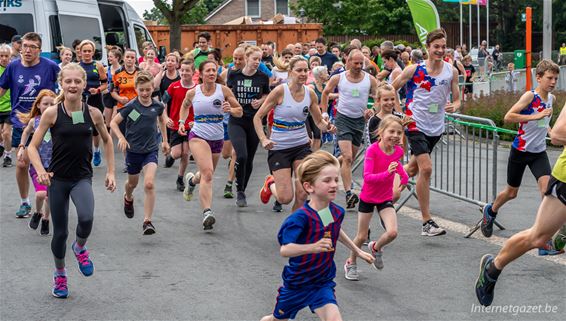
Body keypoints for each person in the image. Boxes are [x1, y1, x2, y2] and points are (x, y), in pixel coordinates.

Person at [26, 63, 116, 299]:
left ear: (85, 84)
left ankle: (80, 247)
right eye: (68, 81)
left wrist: (111, 172)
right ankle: (60, 275)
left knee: (86, 218)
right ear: (61, 84)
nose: (73, 85)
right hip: (58, 180)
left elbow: (107, 142)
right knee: (60, 233)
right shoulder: (52, 113)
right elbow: (32, 147)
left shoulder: (93, 113)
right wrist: (41, 170)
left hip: (81, 178)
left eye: (78, 81)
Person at [259, 150, 374, 321]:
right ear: (309, 187)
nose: (334, 184)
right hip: (297, 284)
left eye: (336, 179)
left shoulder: (331, 211)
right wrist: (312, 247)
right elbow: (285, 250)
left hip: (321, 282)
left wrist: (357, 251)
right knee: (276, 320)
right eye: (327, 180)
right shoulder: (300, 218)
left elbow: (334, 230)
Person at [475, 101, 566, 307]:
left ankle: (561, 237)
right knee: (537, 237)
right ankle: (492, 270)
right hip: (564, 179)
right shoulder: (530, 96)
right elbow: (558, 135)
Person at [480, 60, 560, 253]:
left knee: (546, 192)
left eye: (556, 79)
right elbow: (509, 116)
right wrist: (535, 116)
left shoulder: (552, 99)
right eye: (549, 78)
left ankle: (543, 240)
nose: (552, 82)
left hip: (539, 152)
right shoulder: (529, 96)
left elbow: (545, 122)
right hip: (521, 151)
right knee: (511, 192)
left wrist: (552, 132)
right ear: (538, 78)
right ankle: (490, 211)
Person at [391, 28, 461, 236]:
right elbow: (391, 88)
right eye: (436, 47)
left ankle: (385, 191)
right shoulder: (414, 70)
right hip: (415, 123)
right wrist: (399, 112)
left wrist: (455, 106)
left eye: (443, 47)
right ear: (428, 48)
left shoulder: (452, 71)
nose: (440, 50)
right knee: (426, 169)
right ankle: (426, 222)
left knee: (412, 169)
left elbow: (457, 98)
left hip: (436, 126)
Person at [256, 56, 336, 212]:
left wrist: (328, 127)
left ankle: (295, 229)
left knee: (303, 193)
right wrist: (264, 139)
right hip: (280, 147)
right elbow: (257, 117)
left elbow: (318, 122)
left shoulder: (310, 93)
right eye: (299, 70)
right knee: (285, 198)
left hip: (301, 146)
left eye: (306, 70)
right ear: (290, 72)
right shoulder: (280, 91)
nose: (303, 73)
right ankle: (270, 184)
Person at [0, 32, 60, 217]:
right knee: (22, 164)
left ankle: (52, 197)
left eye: (32, 47)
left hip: (47, 121)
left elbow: (65, 86)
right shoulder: (13, 67)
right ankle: (25, 201)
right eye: (24, 45)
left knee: (51, 162)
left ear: (39, 50)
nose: (27, 50)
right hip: (21, 121)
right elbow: (2, 90)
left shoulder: (50, 67)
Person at [179, 60, 243, 230]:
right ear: (200, 74)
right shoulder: (194, 93)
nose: (212, 73)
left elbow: (240, 111)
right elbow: (185, 106)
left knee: (205, 174)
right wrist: (181, 121)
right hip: (198, 135)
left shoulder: (224, 91)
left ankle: (192, 181)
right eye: (208, 70)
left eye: (214, 70)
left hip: (217, 137)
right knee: (208, 175)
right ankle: (207, 212)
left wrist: (231, 109)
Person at [344, 115, 409, 280]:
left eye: (399, 132)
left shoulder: (398, 151)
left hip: (385, 198)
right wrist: (387, 173)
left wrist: (404, 176)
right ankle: (351, 262)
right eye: (391, 131)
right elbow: (368, 177)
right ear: (381, 132)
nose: (395, 135)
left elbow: (397, 166)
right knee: (361, 236)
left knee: (393, 232)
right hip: (368, 197)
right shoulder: (373, 150)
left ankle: (376, 248)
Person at [110, 71, 170, 235]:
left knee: (149, 183)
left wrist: (164, 140)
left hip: (150, 149)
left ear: (153, 88)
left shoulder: (157, 106)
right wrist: (121, 138)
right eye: (141, 90)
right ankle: (128, 197)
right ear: (136, 89)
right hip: (133, 151)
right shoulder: (131, 106)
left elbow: (161, 120)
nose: (144, 93)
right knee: (132, 184)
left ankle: (147, 221)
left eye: (148, 90)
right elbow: (113, 123)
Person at [320, 49, 378, 209]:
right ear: (348, 62)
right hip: (343, 119)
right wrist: (324, 113)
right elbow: (325, 93)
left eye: (361, 63)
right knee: (347, 157)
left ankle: (325, 167)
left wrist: (373, 110)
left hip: (359, 121)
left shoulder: (370, 79)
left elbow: (378, 96)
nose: (359, 66)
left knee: (350, 159)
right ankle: (349, 193)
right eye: (356, 63)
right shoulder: (339, 78)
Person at [226, 46, 271, 207]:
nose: (257, 62)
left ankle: (242, 190)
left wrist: (261, 101)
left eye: (259, 60)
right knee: (241, 155)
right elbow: (228, 92)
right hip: (237, 119)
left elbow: (267, 94)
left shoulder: (263, 77)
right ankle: (238, 189)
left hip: (254, 121)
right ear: (246, 58)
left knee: (249, 158)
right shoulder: (234, 74)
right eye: (254, 59)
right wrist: (230, 104)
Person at [17, 89, 57, 236]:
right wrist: (22, 147)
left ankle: (46, 219)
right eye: (45, 103)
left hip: (55, 165)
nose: (48, 106)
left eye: (52, 104)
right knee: (41, 194)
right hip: (38, 164)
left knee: (50, 197)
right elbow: (26, 132)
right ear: (38, 105)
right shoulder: (35, 121)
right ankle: (38, 212)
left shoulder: (57, 120)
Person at [163, 59, 195, 190]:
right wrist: (165, 117)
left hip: (190, 125)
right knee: (177, 153)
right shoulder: (173, 86)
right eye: (182, 70)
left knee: (186, 153)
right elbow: (163, 103)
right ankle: (170, 156)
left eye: (187, 70)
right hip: (175, 124)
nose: (184, 73)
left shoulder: (197, 88)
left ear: (193, 72)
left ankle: (180, 178)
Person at [78, 40, 108, 167]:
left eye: (89, 51)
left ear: (93, 52)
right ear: (80, 52)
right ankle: (82, 152)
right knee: (79, 125)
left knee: (95, 129)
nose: (87, 53)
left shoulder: (98, 65)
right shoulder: (77, 66)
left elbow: (106, 84)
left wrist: (98, 90)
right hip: (80, 100)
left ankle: (96, 150)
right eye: (84, 51)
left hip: (95, 100)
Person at [103, 47, 122, 131]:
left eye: (111, 56)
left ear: (117, 58)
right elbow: (103, 82)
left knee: (113, 120)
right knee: (108, 123)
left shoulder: (122, 69)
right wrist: (104, 89)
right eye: (108, 56)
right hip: (108, 96)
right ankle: (108, 137)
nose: (108, 58)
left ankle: (112, 140)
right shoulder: (106, 69)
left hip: (118, 95)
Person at [0, 44, 12, 165]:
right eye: (1, 56)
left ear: (10, 57)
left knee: (6, 133)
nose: (4, 58)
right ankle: (2, 145)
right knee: (0, 135)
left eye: (6, 56)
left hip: (10, 106)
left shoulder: (13, 68)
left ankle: (7, 155)